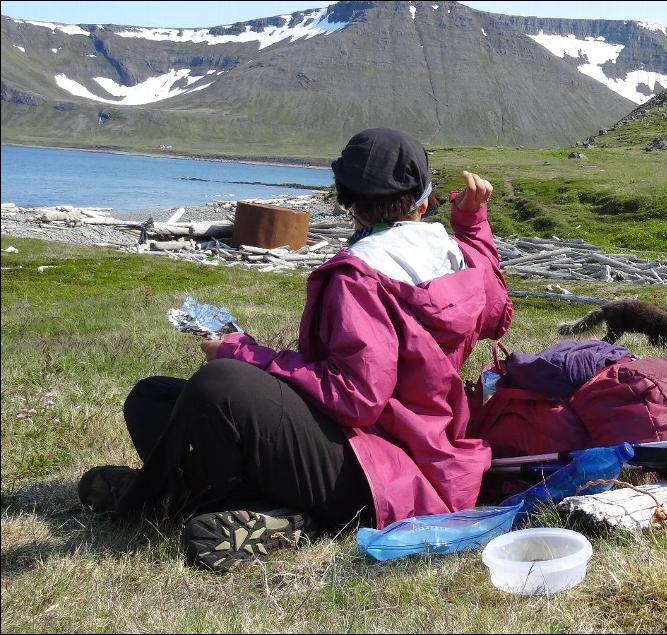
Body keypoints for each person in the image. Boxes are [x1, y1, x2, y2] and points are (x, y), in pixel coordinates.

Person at [78, 128, 513, 572]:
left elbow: (357, 397)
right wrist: (472, 221)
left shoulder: (361, 274)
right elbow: (498, 313)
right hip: (421, 462)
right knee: (155, 398)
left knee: (220, 385)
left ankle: (144, 503)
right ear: (422, 200)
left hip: (380, 478)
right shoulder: (457, 255)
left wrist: (245, 353)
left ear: (348, 201)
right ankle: (278, 514)